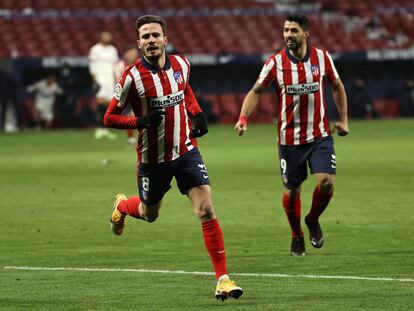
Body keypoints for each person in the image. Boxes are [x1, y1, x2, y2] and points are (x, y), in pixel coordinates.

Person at [103, 15, 243, 300]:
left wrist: (197, 112)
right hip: (153, 160)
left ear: (165, 40)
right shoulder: (131, 77)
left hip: (186, 150)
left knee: (205, 209)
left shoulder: (182, 64)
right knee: (149, 213)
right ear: (139, 43)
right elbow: (109, 117)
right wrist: (139, 123)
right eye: (145, 36)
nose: (151, 40)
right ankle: (122, 205)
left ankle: (223, 279)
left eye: (155, 35)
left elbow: (184, 89)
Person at [234, 14, 349, 256]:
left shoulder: (322, 57)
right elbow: (256, 91)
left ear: (305, 34)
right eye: (285, 30)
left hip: (319, 135)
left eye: (294, 30)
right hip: (289, 140)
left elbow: (337, 86)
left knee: (326, 183)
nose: (288, 35)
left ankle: (313, 219)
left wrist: (344, 119)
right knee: (293, 191)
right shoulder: (274, 63)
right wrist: (243, 117)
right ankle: (297, 235)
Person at [88, 31, 119, 139]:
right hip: (100, 79)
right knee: (100, 102)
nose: (107, 37)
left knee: (109, 104)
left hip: (110, 81)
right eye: (105, 36)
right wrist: (94, 80)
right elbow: (92, 65)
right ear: (101, 37)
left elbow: (115, 66)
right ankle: (99, 128)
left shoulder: (113, 50)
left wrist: (117, 80)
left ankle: (105, 128)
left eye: (109, 36)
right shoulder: (95, 49)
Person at [115, 45, 139, 145]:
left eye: (135, 53)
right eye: (131, 53)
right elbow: (119, 81)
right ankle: (131, 139)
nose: (133, 55)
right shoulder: (119, 65)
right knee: (128, 116)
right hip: (126, 94)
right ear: (125, 54)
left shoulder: (140, 63)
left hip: (140, 94)